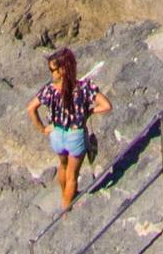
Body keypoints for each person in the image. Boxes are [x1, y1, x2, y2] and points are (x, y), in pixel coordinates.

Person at [28, 46, 110, 212]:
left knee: (63, 166)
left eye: (53, 70)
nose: (52, 73)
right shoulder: (84, 87)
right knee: (72, 175)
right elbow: (106, 106)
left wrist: (43, 129)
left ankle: (64, 195)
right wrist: (89, 111)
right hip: (75, 136)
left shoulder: (49, 90)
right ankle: (66, 210)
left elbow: (31, 109)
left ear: (62, 70)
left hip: (57, 135)